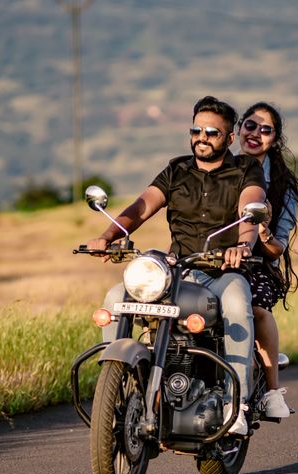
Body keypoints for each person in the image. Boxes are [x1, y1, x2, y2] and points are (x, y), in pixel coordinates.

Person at [84, 95, 268, 435]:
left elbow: (251, 204)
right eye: (196, 130)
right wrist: (108, 236)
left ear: (228, 138)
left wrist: (243, 244)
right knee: (114, 298)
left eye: (212, 132)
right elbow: (141, 207)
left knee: (237, 305)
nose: (202, 137)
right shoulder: (177, 169)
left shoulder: (245, 169)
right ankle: (114, 391)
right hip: (178, 271)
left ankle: (236, 404)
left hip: (221, 272)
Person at [236, 101, 298, 418]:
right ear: (238, 129)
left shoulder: (282, 187)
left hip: (257, 265)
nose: (256, 133)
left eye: (266, 129)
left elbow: (278, 249)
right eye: (250, 125)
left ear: (275, 139)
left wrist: (264, 231)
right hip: (209, 261)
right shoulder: (217, 168)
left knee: (255, 309)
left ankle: (271, 392)